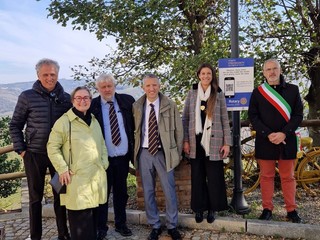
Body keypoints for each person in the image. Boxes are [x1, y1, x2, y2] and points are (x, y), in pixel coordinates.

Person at [9, 58, 72, 240]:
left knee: (61, 196)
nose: (49, 78)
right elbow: (15, 125)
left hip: (58, 157)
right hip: (34, 155)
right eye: (45, 74)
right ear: (38, 75)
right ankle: (36, 236)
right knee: (35, 198)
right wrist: (21, 150)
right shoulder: (27, 96)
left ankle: (63, 234)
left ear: (58, 74)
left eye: (52, 74)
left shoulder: (66, 98)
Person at [47, 86, 109, 239]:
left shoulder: (94, 120)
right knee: (80, 228)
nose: (83, 101)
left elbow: (102, 144)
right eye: (79, 98)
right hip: (77, 182)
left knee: (93, 224)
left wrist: (103, 163)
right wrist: (62, 169)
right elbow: (52, 147)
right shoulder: (64, 122)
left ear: (90, 99)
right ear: (73, 101)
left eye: (86, 97)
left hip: (95, 181)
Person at [248, 59, 303, 223]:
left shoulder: (293, 90)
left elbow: (298, 115)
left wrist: (284, 133)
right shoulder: (257, 92)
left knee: (288, 177)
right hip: (266, 140)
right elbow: (253, 116)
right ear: (264, 73)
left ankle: (291, 210)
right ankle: (267, 209)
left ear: (280, 70)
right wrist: (268, 134)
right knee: (266, 176)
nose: (271, 72)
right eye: (268, 69)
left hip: (287, 140)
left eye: (274, 69)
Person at [133, 74, 183, 240]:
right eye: (148, 86)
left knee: (169, 190)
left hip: (164, 152)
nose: (151, 89)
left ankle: (172, 225)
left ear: (159, 86)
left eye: (154, 85)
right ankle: (154, 225)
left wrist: (178, 153)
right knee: (147, 191)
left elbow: (179, 131)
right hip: (145, 152)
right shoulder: (137, 106)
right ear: (143, 88)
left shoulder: (170, 105)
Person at [182, 63, 232, 224]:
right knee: (197, 176)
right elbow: (186, 119)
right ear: (198, 75)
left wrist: (227, 143)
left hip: (215, 142)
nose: (205, 76)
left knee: (214, 176)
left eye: (208, 74)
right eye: (203, 73)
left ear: (212, 76)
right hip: (195, 140)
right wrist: (185, 141)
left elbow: (225, 119)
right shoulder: (192, 93)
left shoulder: (218, 94)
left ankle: (212, 209)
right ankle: (199, 209)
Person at [90, 73, 134, 239]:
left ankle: (121, 224)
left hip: (122, 157)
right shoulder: (93, 106)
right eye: (103, 87)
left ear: (115, 86)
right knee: (102, 194)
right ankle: (101, 228)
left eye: (110, 86)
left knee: (121, 193)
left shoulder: (127, 101)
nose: (107, 89)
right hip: (103, 159)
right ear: (98, 89)